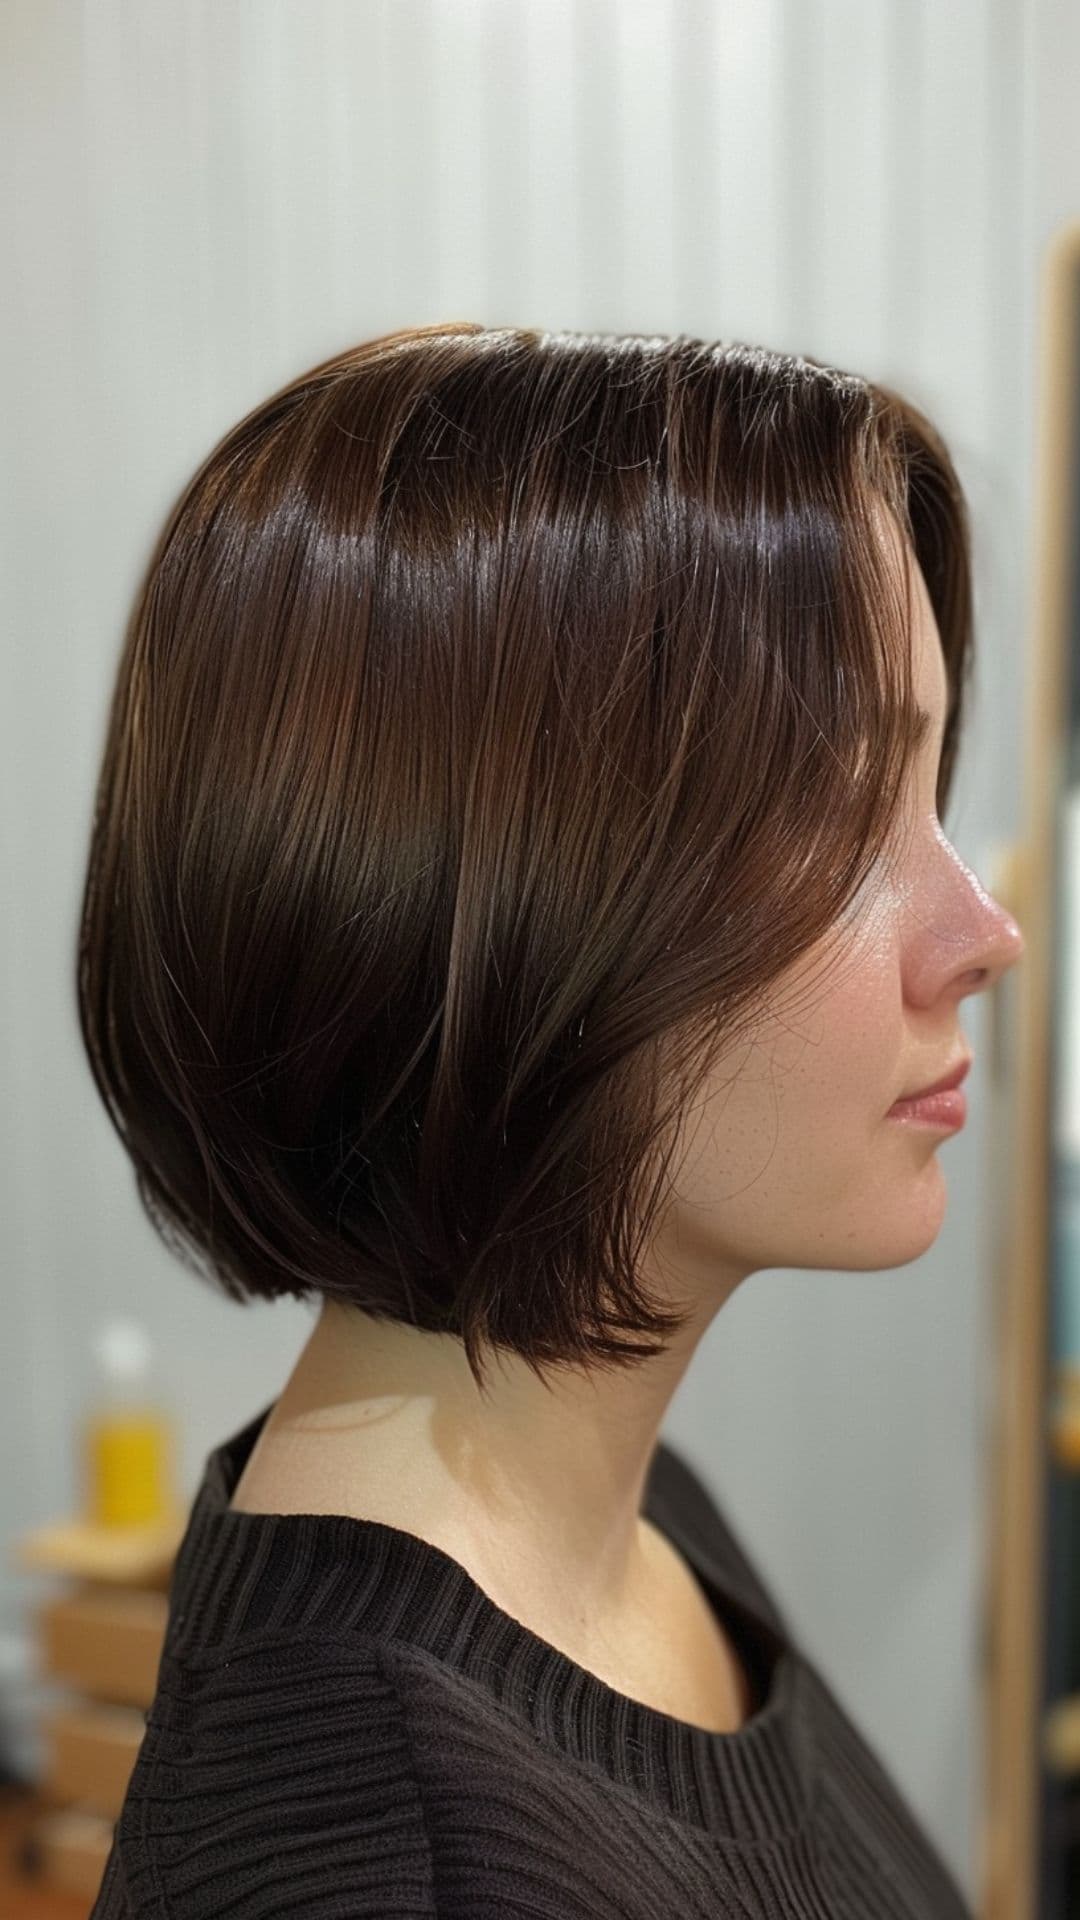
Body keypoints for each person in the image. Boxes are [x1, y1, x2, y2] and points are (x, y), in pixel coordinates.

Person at [80, 323, 1022, 1916]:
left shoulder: (636, 1522)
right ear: (491, 893)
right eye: (841, 811)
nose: (982, 934)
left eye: (926, 794)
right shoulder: (390, 1864)